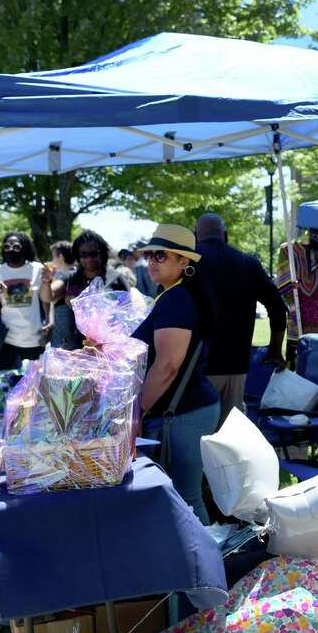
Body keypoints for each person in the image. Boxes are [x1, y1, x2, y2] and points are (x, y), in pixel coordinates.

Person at [133, 224, 219, 524]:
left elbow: (169, 364)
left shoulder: (177, 299)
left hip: (182, 413)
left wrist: (137, 412)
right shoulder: (172, 295)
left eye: (161, 255)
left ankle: (210, 566)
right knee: (184, 496)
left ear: (185, 262)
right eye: (149, 255)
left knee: (186, 497)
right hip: (186, 409)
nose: (151, 261)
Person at [194, 213, 287, 416]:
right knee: (230, 433)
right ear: (225, 235)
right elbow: (278, 307)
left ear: (196, 235)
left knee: (198, 435)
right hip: (237, 364)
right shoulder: (248, 263)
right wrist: (275, 350)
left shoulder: (188, 264)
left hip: (197, 365)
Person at [47, 230, 128, 349]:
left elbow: (127, 313)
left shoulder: (116, 279)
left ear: (103, 253)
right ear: (78, 256)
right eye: (83, 255)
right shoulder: (71, 278)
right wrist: (46, 281)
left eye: (93, 254)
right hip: (74, 348)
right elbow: (49, 296)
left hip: (106, 348)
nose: (89, 258)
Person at [0, 232, 50, 370]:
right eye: (7, 247)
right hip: (6, 340)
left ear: (24, 248)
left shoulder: (37, 269)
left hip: (35, 339)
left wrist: (46, 281)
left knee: (35, 386)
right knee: (5, 387)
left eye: (16, 246)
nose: (11, 250)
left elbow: (47, 300)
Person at [46, 240, 76, 350]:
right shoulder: (76, 273)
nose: (52, 260)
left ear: (61, 257)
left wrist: (46, 280)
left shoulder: (69, 275)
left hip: (65, 334)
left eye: (53, 256)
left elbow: (50, 295)